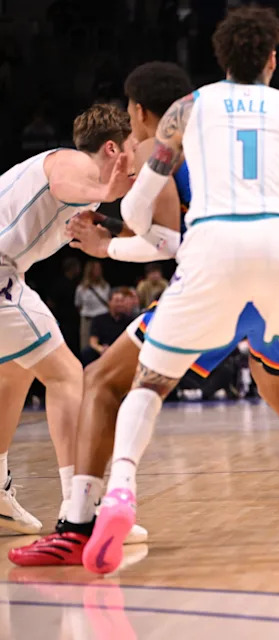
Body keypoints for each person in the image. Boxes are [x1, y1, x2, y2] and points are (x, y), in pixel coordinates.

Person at [9, 60, 279, 567]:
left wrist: (107, 245)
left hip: (216, 279)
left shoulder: (168, 148)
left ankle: (81, 519)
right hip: (278, 270)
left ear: (139, 114)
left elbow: (171, 243)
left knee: (103, 380)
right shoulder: (241, 126)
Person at [0, 104, 134, 535]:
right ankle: (81, 508)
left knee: (17, 372)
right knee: (65, 375)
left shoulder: (91, 193)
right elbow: (62, 180)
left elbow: (119, 227)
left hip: (9, 273)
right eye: (130, 149)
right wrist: (110, 190)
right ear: (111, 147)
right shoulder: (72, 161)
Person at [82, 288, 135, 366]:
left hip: (121, 351)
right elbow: (93, 342)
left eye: (122, 301)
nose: (120, 304)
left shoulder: (131, 321)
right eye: (117, 301)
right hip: (103, 350)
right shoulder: (98, 319)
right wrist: (101, 349)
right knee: (87, 352)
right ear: (109, 302)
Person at [75, 260, 111, 350]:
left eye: (99, 269)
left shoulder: (105, 286)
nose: (98, 271)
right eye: (95, 269)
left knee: (104, 346)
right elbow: (78, 305)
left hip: (103, 320)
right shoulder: (81, 288)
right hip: (88, 320)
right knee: (86, 347)